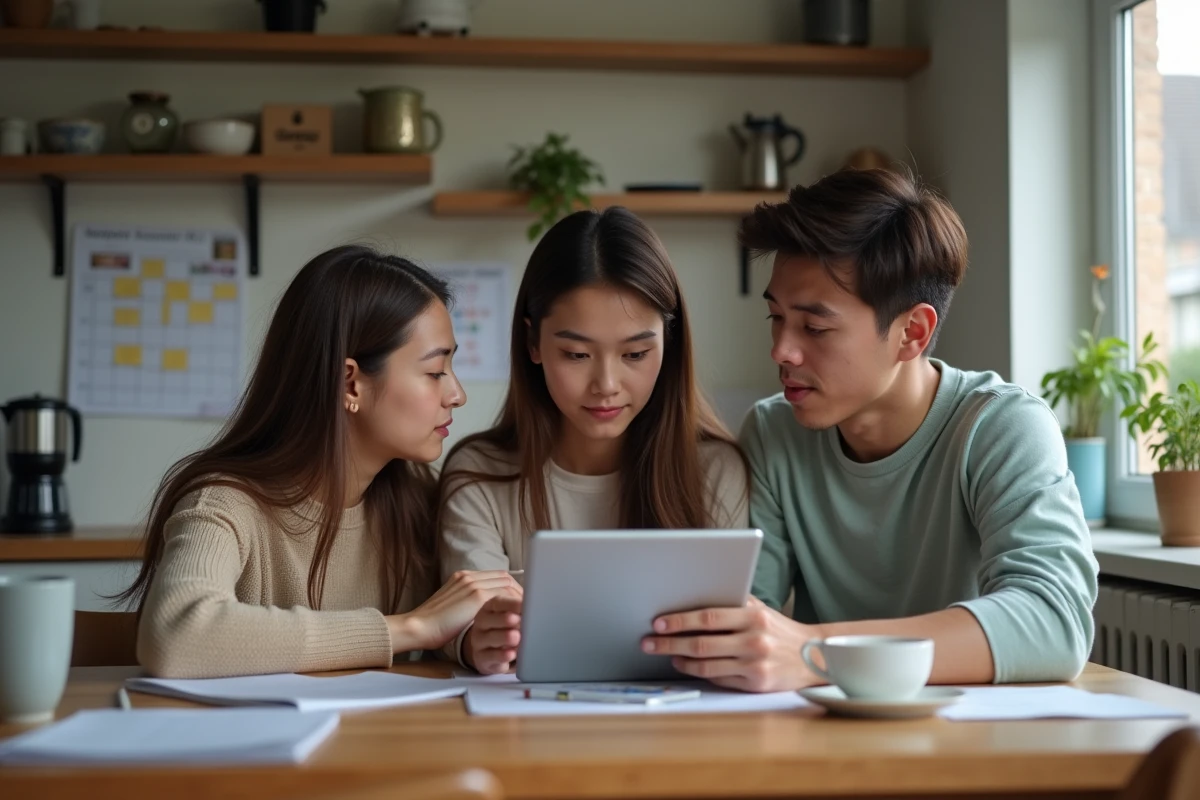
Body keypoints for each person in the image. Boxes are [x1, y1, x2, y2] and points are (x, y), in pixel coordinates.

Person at [640, 169, 1099, 692]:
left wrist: (819, 653)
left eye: (814, 327)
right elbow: (752, 617)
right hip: (825, 738)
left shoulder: (1002, 427)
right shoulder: (774, 432)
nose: (782, 351)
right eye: (776, 317)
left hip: (970, 739)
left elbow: (1053, 622)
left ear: (912, 333)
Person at [121, 245, 521, 678]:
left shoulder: (419, 501)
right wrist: (410, 627)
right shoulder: (223, 504)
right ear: (351, 383)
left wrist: (471, 644)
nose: (457, 394)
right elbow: (175, 636)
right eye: (435, 371)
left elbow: (453, 625)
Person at [438, 207, 749, 675]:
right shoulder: (480, 475)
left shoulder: (714, 469)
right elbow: (468, 624)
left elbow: (732, 634)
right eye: (577, 354)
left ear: (669, 342)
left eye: (636, 353)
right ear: (533, 344)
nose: (606, 383)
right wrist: (472, 641)